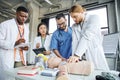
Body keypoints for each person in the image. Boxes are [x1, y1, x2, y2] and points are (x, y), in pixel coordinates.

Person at [67, 4, 109, 70]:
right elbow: (74, 42)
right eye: (72, 17)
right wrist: (74, 58)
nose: (74, 19)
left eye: (75, 16)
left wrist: (77, 55)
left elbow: (87, 36)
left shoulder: (94, 18)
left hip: (94, 52)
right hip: (82, 55)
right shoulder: (74, 26)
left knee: (99, 72)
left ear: (81, 12)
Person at [0, 6, 29, 80]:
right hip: (8, 57)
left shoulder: (26, 28)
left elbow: (26, 41)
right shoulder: (5, 25)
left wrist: (25, 47)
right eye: (21, 16)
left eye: (26, 17)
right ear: (16, 14)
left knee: (20, 78)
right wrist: (14, 43)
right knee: (8, 77)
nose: (24, 18)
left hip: (20, 58)